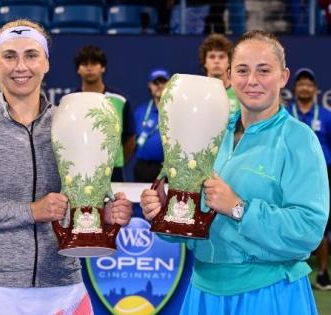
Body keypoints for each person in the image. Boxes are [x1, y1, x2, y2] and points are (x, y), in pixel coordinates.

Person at [0, 19, 132, 315]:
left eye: (31, 55)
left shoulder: (72, 121)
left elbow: (88, 203)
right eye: (9, 56)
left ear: (46, 63)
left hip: (62, 287)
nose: (20, 66)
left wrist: (106, 212)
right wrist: (30, 211)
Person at [140, 30, 329, 314]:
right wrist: (164, 215)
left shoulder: (299, 140)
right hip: (204, 293)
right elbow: (191, 224)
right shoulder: (209, 133)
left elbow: (308, 230)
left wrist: (239, 208)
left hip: (270, 294)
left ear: (283, 77)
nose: (252, 80)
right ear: (229, 76)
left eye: (264, 70)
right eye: (242, 70)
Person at [286, 68, 331, 290]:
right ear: (294, 89)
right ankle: (292, 271)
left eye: (309, 84)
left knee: (321, 224)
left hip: (322, 175)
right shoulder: (284, 113)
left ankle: (323, 273)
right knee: (289, 220)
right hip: (290, 174)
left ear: (315, 90)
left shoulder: (326, 115)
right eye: (300, 83)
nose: (304, 87)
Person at [72, 44, 135, 182]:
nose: (89, 68)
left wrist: (115, 160)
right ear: (78, 69)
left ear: (103, 68)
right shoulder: (69, 101)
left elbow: (130, 139)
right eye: (84, 64)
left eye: (94, 63)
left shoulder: (120, 100)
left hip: (113, 172)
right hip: (79, 171)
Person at [133, 68, 169, 182]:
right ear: (150, 86)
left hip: (167, 168)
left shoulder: (176, 111)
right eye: (155, 82)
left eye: (163, 82)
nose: (159, 86)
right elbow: (131, 139)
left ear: (169, 85)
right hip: (143, 168)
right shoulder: (140, 111)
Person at [199, 33, 240, 114]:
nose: (216, 61)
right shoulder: (197, 93)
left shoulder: (240, 94)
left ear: (229, 62)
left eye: (221, 57)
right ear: (204, 62)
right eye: (212, 56)